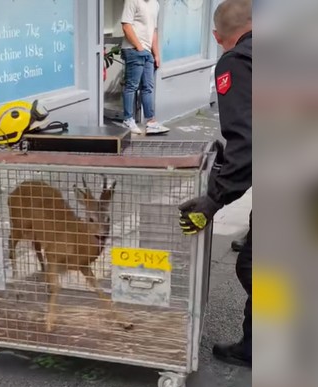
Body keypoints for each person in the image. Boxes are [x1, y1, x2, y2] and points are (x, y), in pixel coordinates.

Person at [178, 0, 252, 367]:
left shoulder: (238, 62)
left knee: (254, 266)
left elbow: (249, 142)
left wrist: (214, 199)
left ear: (217, 37)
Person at [120, 0, 169, 135]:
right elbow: (126, 26)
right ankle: (128, 119)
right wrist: (139, 47)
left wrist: (156, 54)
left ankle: (151, 122)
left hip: (147, 51)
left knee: (148, 87)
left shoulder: (155, 4)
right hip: (133, 49)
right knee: (132, 86)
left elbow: (153, 31)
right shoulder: (132, 1)